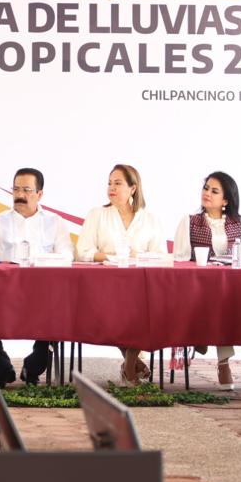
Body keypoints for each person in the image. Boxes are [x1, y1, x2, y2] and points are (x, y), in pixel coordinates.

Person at [0, 167, 74, 386]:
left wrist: (43, 263)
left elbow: (67, 255)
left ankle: (33, 366)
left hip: (44, 295)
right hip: (3, 293)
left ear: (40, 194)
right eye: (16, 189)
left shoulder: (55, 222)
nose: (19, 195)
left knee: (61, 312)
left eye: (27, 190)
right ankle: (1, 366)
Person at [76, 164, 166, 386]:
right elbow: (82, 252)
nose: (111, 188)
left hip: (140, 286)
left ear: (133, 188)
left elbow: (160, 256)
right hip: (105, 286)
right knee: (118, 310)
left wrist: (138, 256)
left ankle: (128, 366)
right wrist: (111, 256)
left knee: (141, 309)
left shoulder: (150, 219)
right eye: (109, 183)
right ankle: (132, 364)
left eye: (117, 183)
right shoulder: (97, 214)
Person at [173, 171, 241, 391]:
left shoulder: (238, 224)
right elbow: (180, 259)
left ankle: (219, 358)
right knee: (219, 305)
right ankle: (213, 348)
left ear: (225, 200)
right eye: (206, 188)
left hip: (227, 289)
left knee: (224, 303)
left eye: (214, 191)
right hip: (196, 289)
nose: (207, 193)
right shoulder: (189, 221)